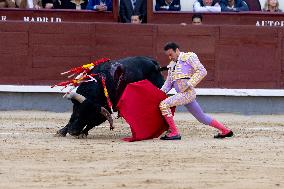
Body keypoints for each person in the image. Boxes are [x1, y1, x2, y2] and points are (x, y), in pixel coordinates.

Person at [159, 42, 233, 140]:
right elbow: (168, 83)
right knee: (201, 117)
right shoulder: (171, 65)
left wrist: (189, 84)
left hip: (187, 93)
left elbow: (202, 71)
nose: (170, 57)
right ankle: (225, 131)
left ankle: (174, 132)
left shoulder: (189, 57)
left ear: (177, 50)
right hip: (182, 94)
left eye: (171, 54)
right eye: (168, 55)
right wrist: (158, 93)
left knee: (164, 105)